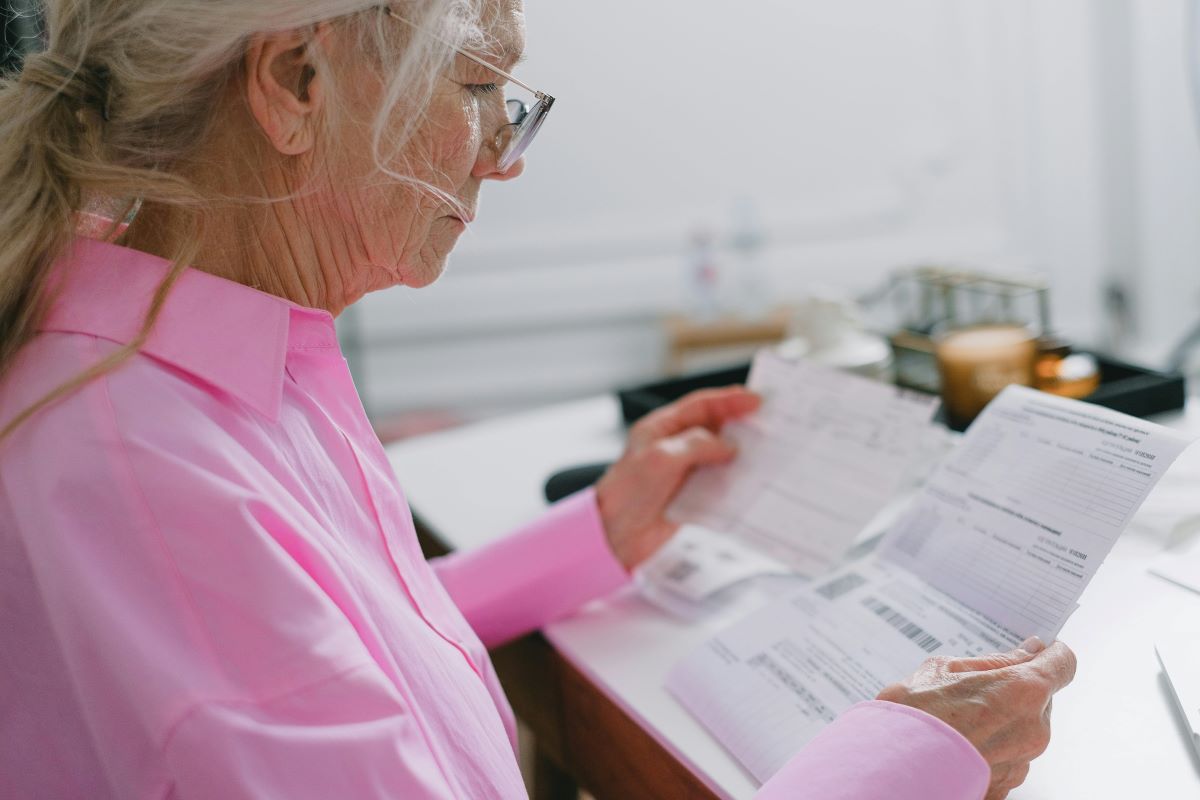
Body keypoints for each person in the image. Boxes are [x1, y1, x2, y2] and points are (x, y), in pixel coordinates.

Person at [0, 1, 1076, 798]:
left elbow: (319, 662)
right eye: (477, 89)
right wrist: (913, 757)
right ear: (294, 82)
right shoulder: (138, 466)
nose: (502, 158)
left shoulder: (185, 349)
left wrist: (596, 533)